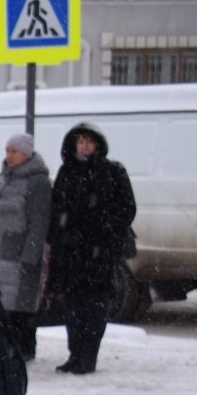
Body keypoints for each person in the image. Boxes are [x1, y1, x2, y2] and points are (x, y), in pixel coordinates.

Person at [47, 123, 135, 375]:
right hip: (71, 253)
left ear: (98, 145)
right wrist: (58, 237)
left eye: (89, 141)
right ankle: (74, 353)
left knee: (94, 305)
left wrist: (106, 231)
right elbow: (57, 209)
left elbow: (127, 208)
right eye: (80, 141)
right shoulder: (67, 171)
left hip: (100, 253)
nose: (84, 146)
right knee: (72, 306)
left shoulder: (111, 172)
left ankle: (88, 356)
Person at [0, 133, 51, 362]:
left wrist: (31, 254)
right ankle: (3, 346)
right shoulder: (2, 178)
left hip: (19, 253)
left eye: (15, 151)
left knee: (20, 303)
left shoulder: (37, 181)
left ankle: (23, 348)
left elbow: (39, 220)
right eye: (7, 151)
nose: (9, 156)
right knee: (0, 302)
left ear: (27, 154)